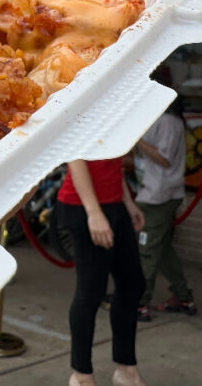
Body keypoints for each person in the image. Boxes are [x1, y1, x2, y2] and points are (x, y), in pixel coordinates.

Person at [56, 157, 147, 386]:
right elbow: (76, 159)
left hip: (114, 202)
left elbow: (113, 159)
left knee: (133, 284)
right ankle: (81, 375)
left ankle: (126, 369)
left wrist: (128, 202)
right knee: (91, 293)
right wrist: (94, 212)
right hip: (83, 205)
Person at [133, 87, 195, 322]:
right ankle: (183, 295)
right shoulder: (164, 120)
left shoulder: (168, 122)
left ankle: (140, 303)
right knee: (163, 249)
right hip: (157, 192)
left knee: (147, 251)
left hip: (158, 195)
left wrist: (138, 140)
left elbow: (164, 158)